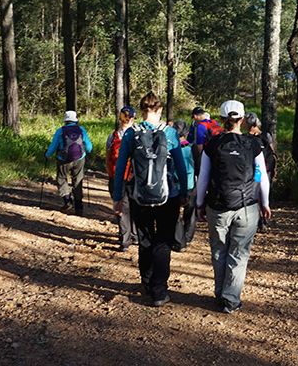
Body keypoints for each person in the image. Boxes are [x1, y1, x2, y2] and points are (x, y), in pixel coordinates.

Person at [111, 93, 188, 307]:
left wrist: (118, 197)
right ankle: (159, 291)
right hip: (168, 196)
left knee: (145, 240)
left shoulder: (131, 133)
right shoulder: (170, 133)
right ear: (160, 109)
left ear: (142, 110)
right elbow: (181, 167)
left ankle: (146, 282)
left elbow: (120, 169)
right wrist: (183, 193)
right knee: (163, 241)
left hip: (139, 195)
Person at [197, 100, 271, 314]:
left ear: (221, 119)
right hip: (247, 206)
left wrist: (200, 203)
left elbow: (203, 178)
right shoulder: (253, 144)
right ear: (242, 119)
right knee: (239, 253)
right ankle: (231, 299)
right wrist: (263, 202)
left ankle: (220, 293)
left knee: (219, 250)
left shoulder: (213, 144)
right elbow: (262, 176)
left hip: (218, 206)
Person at [45, 110, 93, 216]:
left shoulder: (60, 131)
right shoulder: (81, 130)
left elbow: (53, 146)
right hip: (80, 159)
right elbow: (89, 147)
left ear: (65, 120)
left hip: (63, 159)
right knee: (78, 180)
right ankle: (79, 206)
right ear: (75, 119)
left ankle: (67, 200)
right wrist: (87, 152)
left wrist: (47, 155)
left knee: (61, 178)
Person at [106, 106, 138, 251]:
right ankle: (136, 235)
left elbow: (108, 159)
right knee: (134, 205)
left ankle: (125, 239)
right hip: (133, 177)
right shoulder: (137, 135)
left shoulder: (112, 137)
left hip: (116, 176)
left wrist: (111, 175)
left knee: (120, 207)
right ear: (132, 119)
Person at [243, 112, 277, 231]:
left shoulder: (246, 138)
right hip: (267, 169)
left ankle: (258, 220)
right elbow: (272, 153)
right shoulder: (266, 135)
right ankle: (263, 221)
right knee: (263, 193)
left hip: (253, 170)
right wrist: (274, 169)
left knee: (255, 194)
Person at [172, 119, 196, 252]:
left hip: (175, 184)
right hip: (191, 183)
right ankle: (188, 236)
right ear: (187, 133)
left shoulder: (171, 147)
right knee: (190, 211)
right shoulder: (192, 148)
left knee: (175, 214)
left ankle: (179, 241)